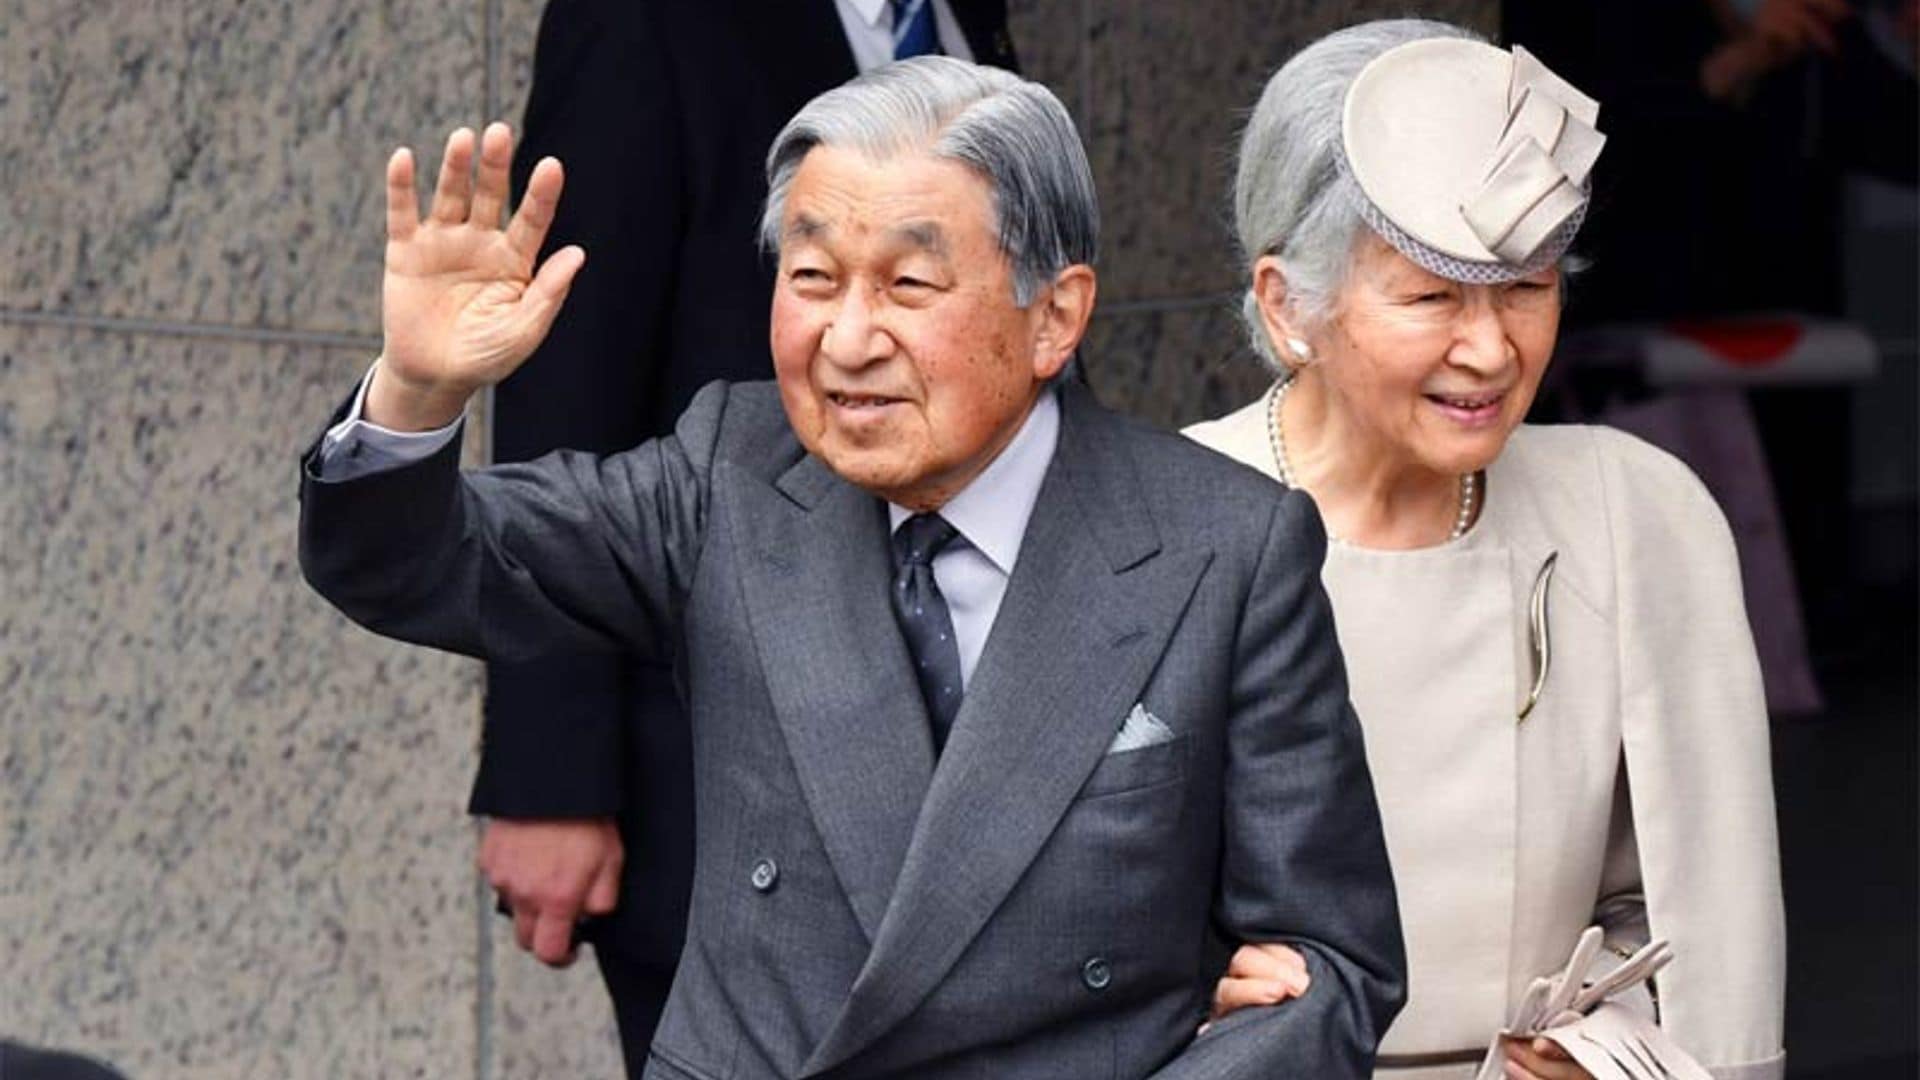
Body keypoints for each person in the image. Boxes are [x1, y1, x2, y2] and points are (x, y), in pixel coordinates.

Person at [300, 57, 1405, 1078]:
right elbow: (414, 562)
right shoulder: (729, 475)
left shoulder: (1223, 545)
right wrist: (418, 389)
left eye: (910, 287)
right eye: (814, 276)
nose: (847, 337)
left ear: (1054, 317)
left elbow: (1333, 964)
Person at [1189, 20, 1787, 1080]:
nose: (1491, 348)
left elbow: (1702, 916)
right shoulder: (1159, 527)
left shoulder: (1630, 514)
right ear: (1289, 307)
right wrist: (1187, 985)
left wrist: (1604, 1052)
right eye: (1428, 296)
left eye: (1528, 286)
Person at [475, 1, 1017, 1069]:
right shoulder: (640, 22)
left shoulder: (961, 18)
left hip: (964, 753)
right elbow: (565, 392)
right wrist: (551, 771)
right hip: (720, 757)